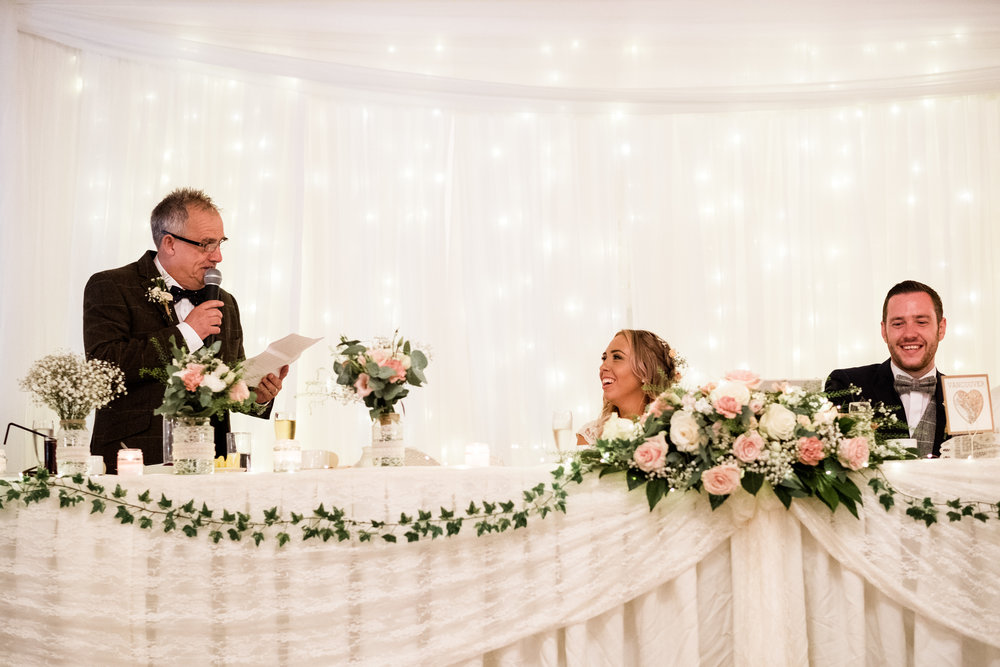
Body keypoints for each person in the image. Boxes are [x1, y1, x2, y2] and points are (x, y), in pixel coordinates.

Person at [83, 188, 288, 472]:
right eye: (206, 244)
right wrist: (187, 333)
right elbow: (104, 367)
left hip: (210, 459)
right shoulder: (112, 286)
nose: (217, 257)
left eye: (220, 243)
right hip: (133, 458)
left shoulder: (224, 301)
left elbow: (225, 384)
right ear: (169, 243)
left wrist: (257, 396)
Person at [825, 280, 947, 457]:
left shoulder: (961, 397)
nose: (910, 334)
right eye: (898, 324)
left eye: (921, 322)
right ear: (884, 331)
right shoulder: (846, 385)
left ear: (941, 328)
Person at [577, 329, 679, 445]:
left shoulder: (678, 432)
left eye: (617, 357)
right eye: (604, 358)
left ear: (645, 371)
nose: (603, 367)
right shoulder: (591, 436)